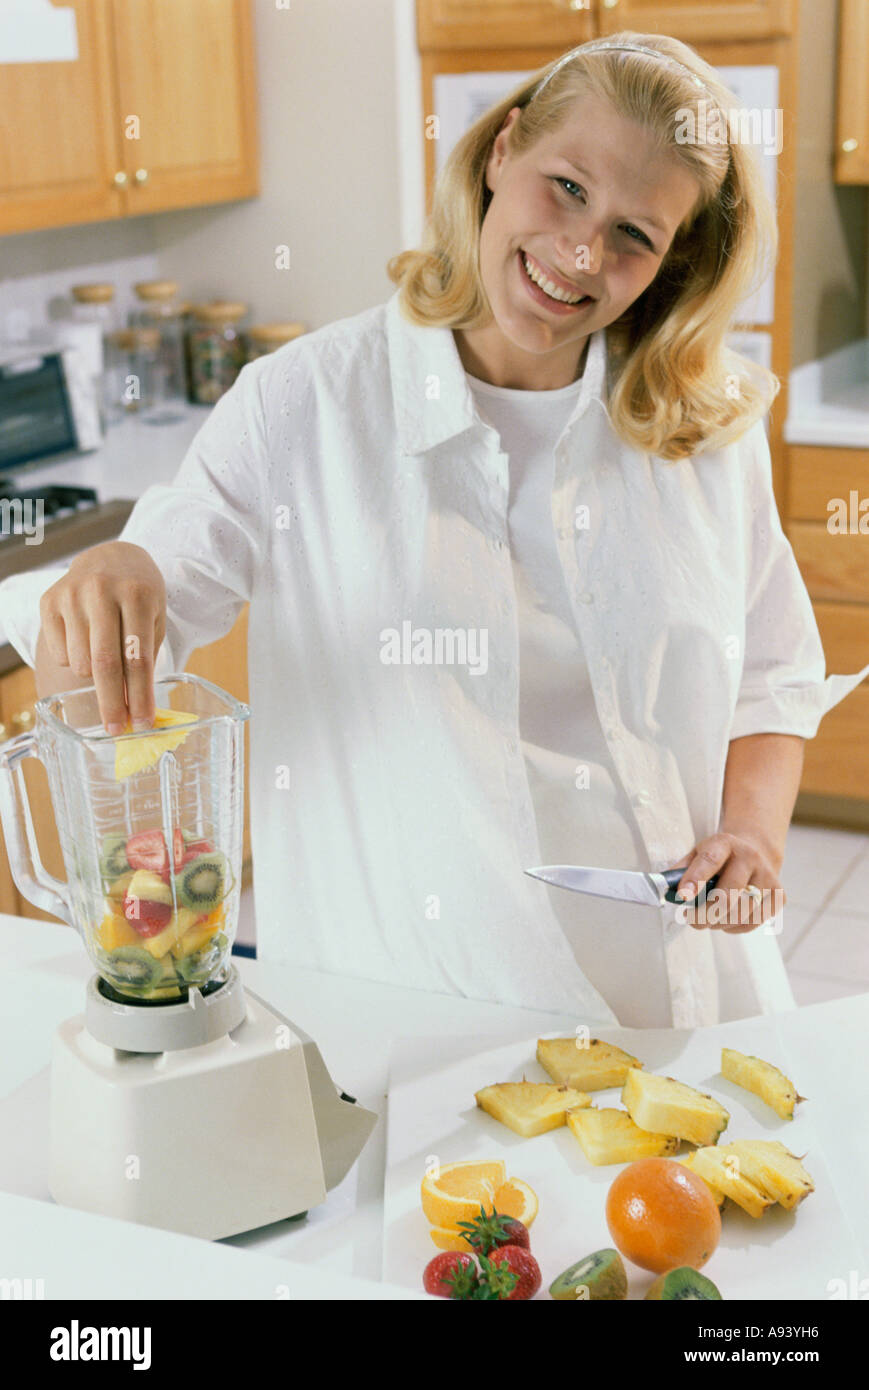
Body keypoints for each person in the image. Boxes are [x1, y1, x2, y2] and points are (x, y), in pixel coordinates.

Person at [2, 33, 867, 1028]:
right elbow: (129, 634)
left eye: (634, 233)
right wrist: (110, 577)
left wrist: (752, 839)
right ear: (501, 151)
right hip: (419, 1018)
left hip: (684, 1004)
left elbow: (770, 670)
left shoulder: (703, 426)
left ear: (675, 262)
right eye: (567, 187)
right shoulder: (304, 407)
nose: (580, 254)